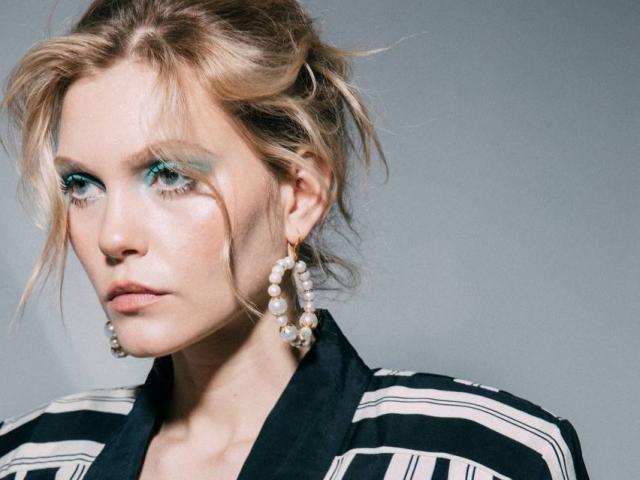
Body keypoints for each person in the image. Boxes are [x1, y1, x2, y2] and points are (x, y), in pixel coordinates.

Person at [0, 1, 590, 479]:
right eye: (82, 185)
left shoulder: (483, 460)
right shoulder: (25, 461)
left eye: (171, 176)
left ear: (299, 197)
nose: (113, 235)